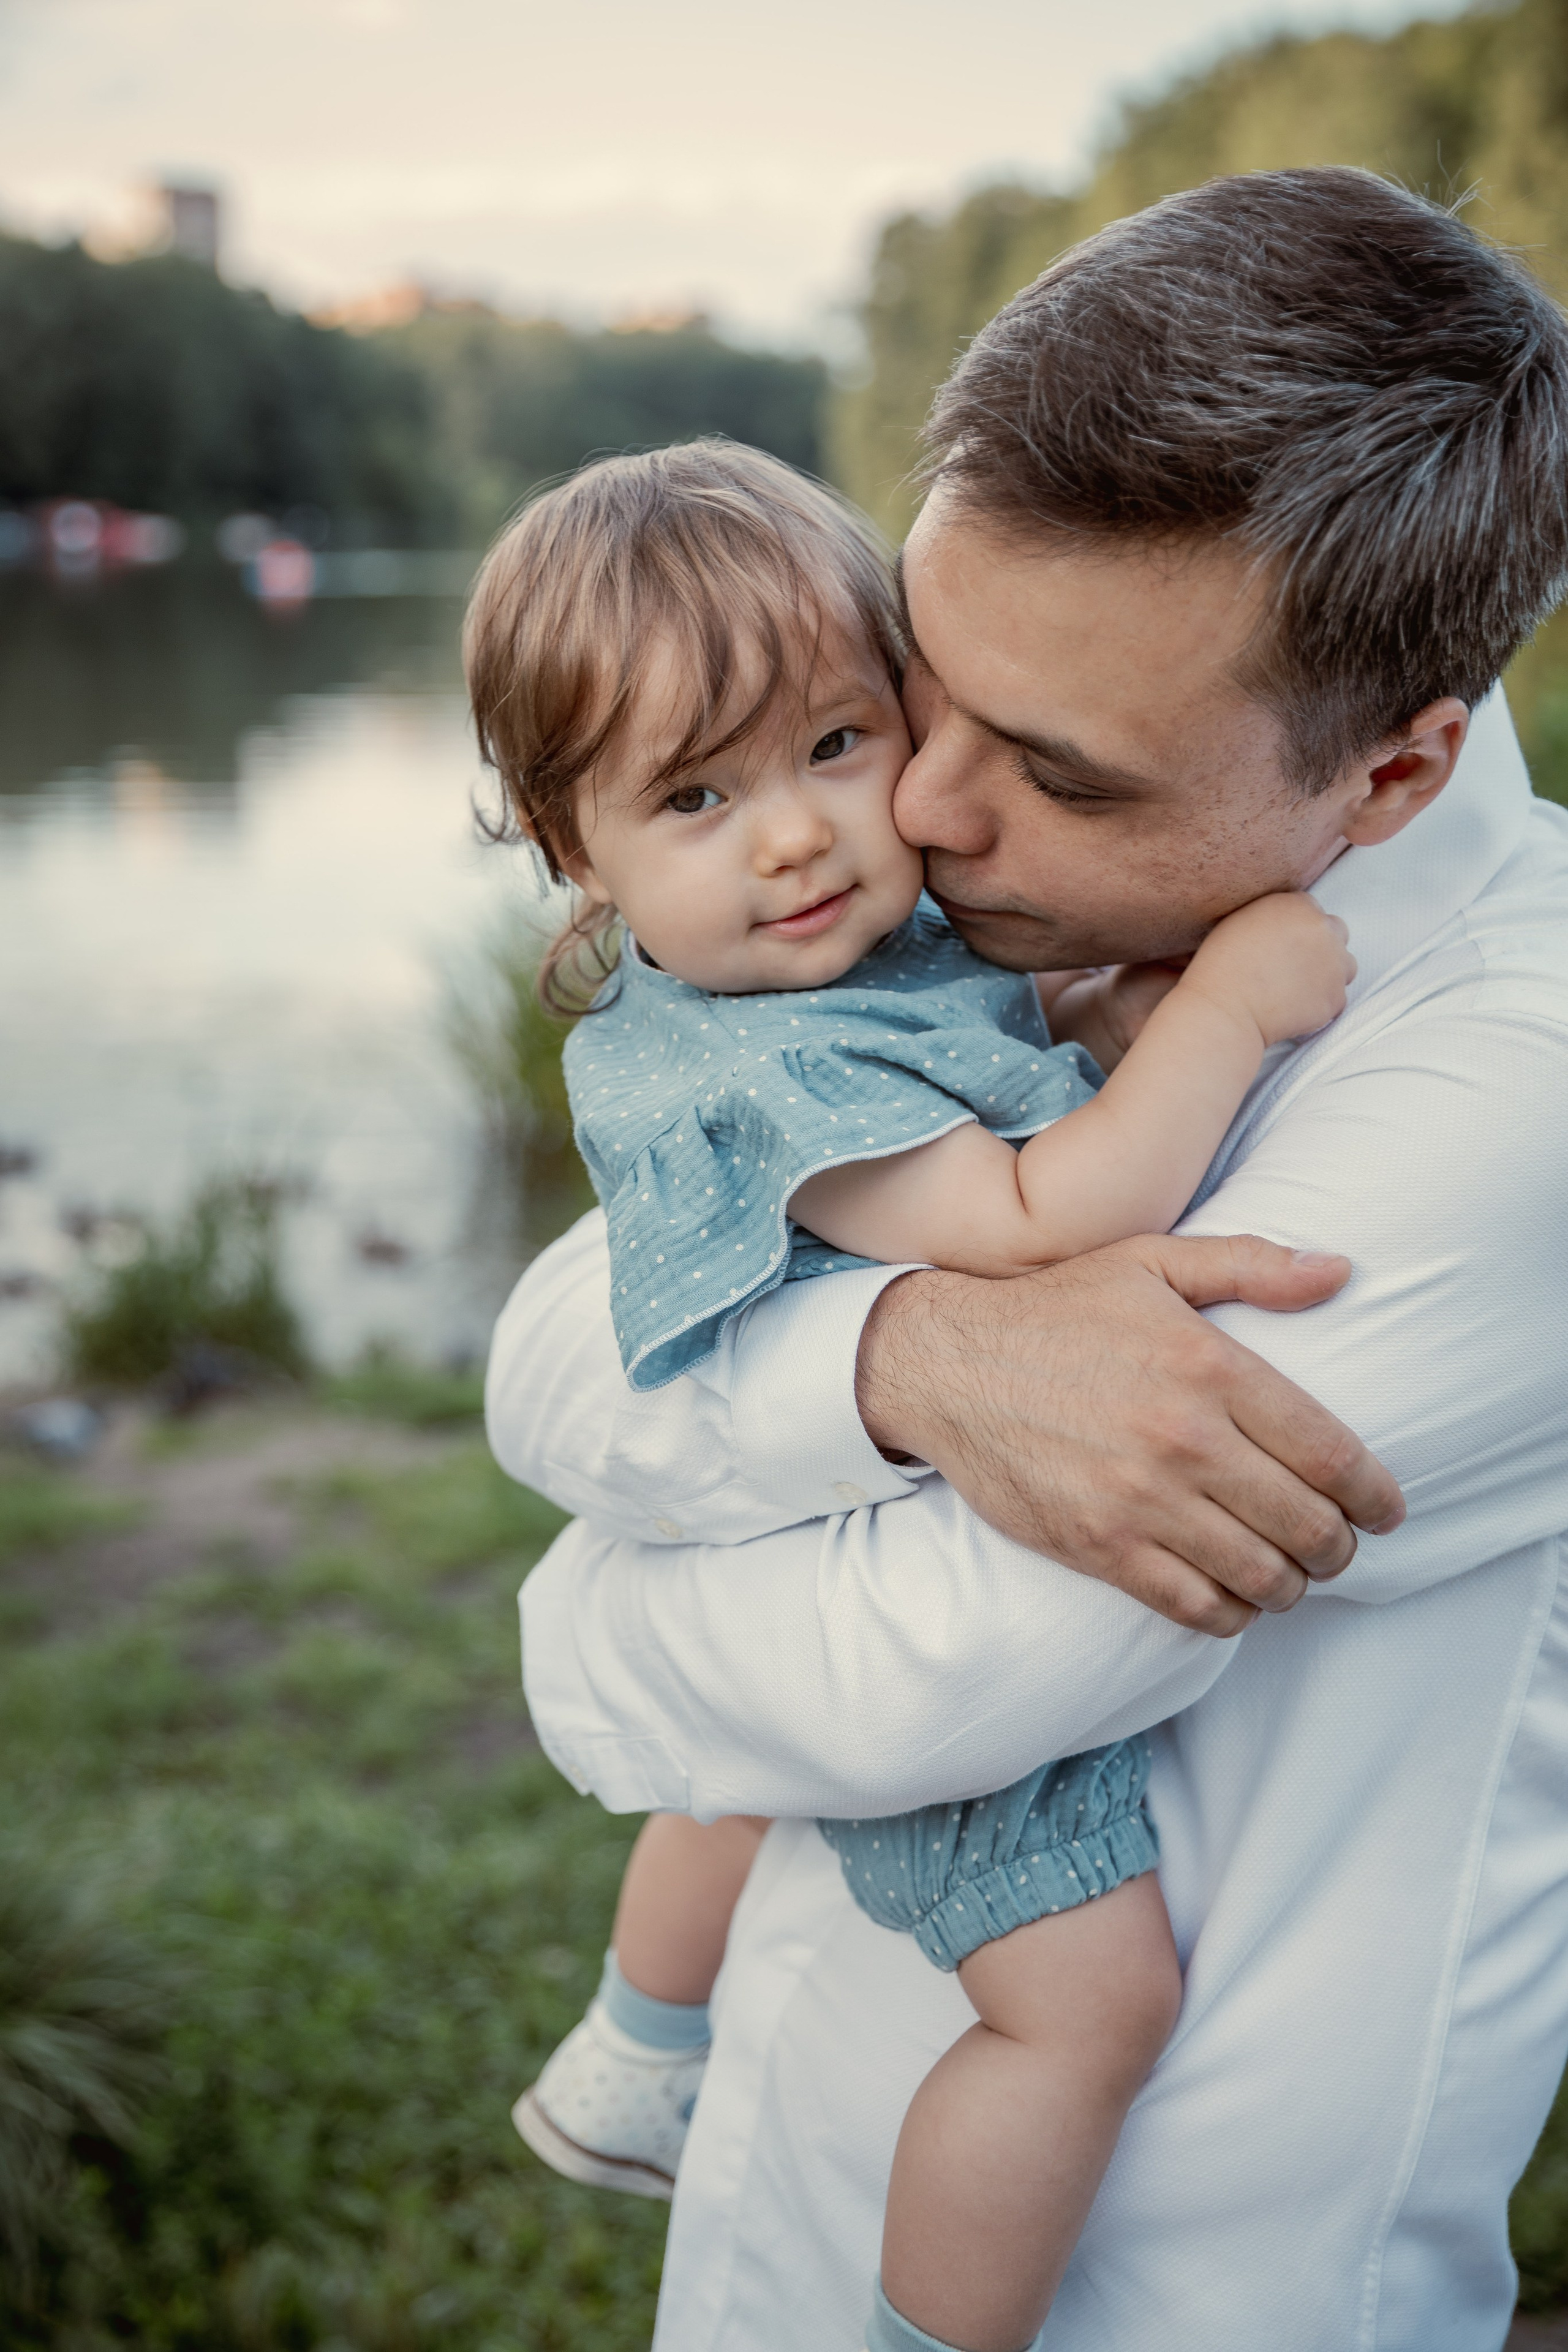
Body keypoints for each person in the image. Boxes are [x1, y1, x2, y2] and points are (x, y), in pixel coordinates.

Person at [488, 168, 1568, 2350]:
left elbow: (946, 1669)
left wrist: (589, 1628)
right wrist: (906, 1362)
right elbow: (561, 1339)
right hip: (793, 2174)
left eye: (1058, 771)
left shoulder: (1520, 1082)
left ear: (1391, 772)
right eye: (922, 687)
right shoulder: (1014, 935)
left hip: (1162, 2283)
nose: (916, 814)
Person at [462, 439, 1354, 2352]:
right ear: (572, 847)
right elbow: (1038, 1214)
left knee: (744, 1788)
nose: (794, 837)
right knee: (1085, 2015)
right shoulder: (766, 1069)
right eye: (696, 796)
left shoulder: (817, 970)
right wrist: (1222, 1011)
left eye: (835, 746)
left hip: (813, 1531)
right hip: (906, 1581)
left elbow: (990, 1049)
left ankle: (636, 2048)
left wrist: (1092, 1006)